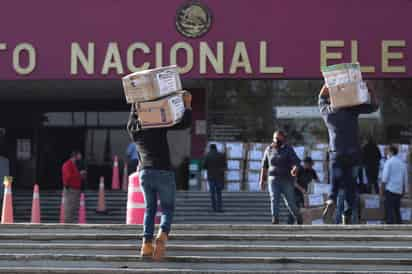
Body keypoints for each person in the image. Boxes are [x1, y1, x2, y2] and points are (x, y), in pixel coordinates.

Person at [127, 92, 192, 260]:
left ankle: (146, 245)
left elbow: (133, 116)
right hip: (163, 171)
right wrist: (187, 104)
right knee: (167, 208)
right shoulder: (156, 123)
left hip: (145, 173)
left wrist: (136, 102)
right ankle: (162, 234)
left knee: (150, 208)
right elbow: (184, 123)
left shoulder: (132, 128)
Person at [318, 82, 379, 224]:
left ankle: (331, 200)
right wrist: (372, 91)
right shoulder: (351, 110)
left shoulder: (327, 112)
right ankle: (348, 213)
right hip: (353, 154)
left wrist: (328, 83)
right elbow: (374, 107)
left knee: (335, 183)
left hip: (336, 153)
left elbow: (321, 96)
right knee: (350, 184)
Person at [259, 131, 302, 225]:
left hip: (286, 179)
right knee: (274, 198)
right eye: (275, 138)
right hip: (273, 179)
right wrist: (262, 180)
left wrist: (295, 168)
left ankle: (298, 217)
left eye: (279, 138)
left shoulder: (288, 149)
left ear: (283, 138)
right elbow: (264, 166)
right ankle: (275, 219)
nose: (276, 140)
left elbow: (296, 161)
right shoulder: (269, 149)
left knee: (290, 202)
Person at [381, 145, 408, 224]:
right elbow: (405, 178)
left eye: (387, 151)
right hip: (399, 190)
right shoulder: (402, 163)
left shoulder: (389, 162)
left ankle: (390, 227)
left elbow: (384, 178)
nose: (386, 153)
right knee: (396, 210)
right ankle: (400, 226)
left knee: (389, 210)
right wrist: (404, 191)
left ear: (391, 152)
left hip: (390, 190)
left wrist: (381, 190)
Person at [288, 156, 319, 224]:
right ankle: (289, 224)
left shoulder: (312, 171)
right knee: (294, 208)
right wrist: (302, 190)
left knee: (303, 210)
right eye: (309, 164)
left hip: (305, 194)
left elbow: (317, 181)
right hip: (296, 192)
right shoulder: (299, 170)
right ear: (305, 164)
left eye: (311, 165)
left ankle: (301, 224)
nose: (310, 166)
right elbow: (294, 183)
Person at [203, 144, 227, 212]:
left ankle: (214, 208)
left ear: (210, 148)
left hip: (211, 177)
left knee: (212, 193)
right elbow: (225, 166)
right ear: (216, 148)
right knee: (219, 193)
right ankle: (219, 208)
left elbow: (204, 166)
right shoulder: (221, 155)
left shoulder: (207, 155)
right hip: (219, 177)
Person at [61, 151, 83, 223]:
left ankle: (70, 222)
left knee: (73, 207)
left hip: (75, 189)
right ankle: (67, 223)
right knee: (69, 207)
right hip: (71, 189)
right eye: (79, 156)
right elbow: (68, 177)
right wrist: (79, 175)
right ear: (74, 156)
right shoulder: (68, 165)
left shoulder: (74, 165)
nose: (80, 157)